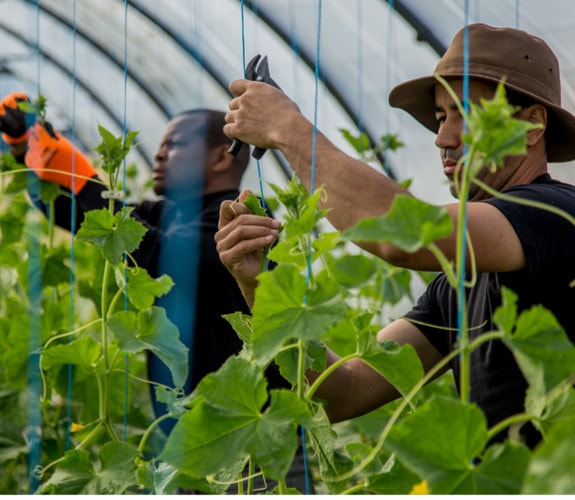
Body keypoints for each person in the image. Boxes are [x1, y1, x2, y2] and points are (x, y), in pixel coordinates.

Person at [215, 23, 575, 449]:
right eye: (441, 117)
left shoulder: (557, 213)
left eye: (465, 114)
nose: (443, 138)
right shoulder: (459, 283)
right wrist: (260, 283)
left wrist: (289, 130)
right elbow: (341, 391)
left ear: (532, 124)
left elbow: (402, 234)